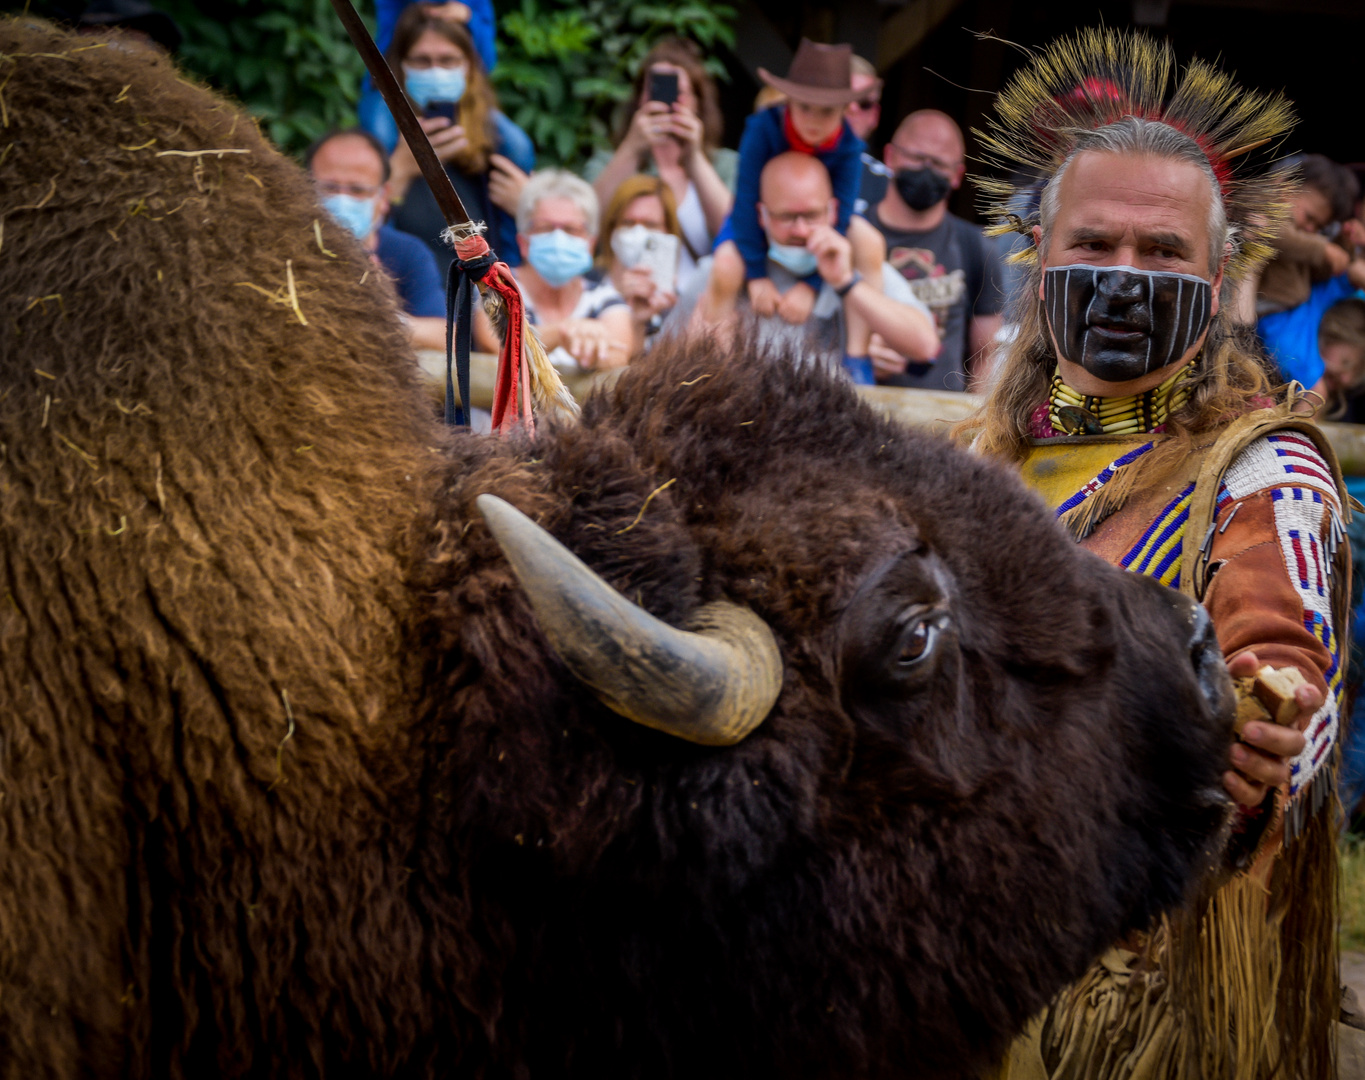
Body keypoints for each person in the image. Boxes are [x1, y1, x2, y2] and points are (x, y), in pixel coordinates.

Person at [962, 30, 1347, 1080]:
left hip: (1132, 988)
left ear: (1218, 274)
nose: (1125, 276)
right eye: (1094, 245)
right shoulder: (978, 458)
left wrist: (1256, 737)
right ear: (1041, 257)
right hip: (961, 943)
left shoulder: (1263, 474)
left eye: (1163, 252)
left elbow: (1285, 683)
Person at [694, 40, 886, 368]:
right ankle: (715, 364)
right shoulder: (762, 128)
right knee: (726, 264)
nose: (813, 119)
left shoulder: (850, 147)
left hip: (821, 221)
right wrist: (756, 276)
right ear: (788, 102)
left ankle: (859, 357)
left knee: (870, 243)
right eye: (804, 107)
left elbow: (840, 217)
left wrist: (810, 286)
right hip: (759, 219)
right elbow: (744, 203)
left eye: (826, 110)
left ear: (844, 110)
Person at [668, 153, 937, 378]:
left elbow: (925, 346)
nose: (800, 230)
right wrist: (692, 350)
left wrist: (847, 284)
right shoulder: (723, 270)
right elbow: (651, 356)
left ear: (833, 211)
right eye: (786, 217)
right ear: (762, 215)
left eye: (811, 215)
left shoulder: (854, 266)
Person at [382, 7, 534, 275]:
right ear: (400, 67)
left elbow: (524, 265)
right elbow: (361, 242)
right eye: (421, 61)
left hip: (482, 305)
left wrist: (530, 210)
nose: (436, 73)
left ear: (470, 68)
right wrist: (400, 171)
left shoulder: (501, 147)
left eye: (448, 60)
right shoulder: (381, 142)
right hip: (411, 301)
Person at [868, 109, 1006, 391]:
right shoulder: (853, 237)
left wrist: (973, 428)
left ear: (957, 174)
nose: (926, 169)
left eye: (939, 163)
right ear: (890, 156)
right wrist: (855, 355)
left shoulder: (976, 247)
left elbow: (984, 356)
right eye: (917, 158)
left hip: (938, 422)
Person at [306, 127, 471, 353]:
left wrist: (385, 317)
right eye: (330, 188)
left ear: (383, 197)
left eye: (357, 190)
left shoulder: (408, 252)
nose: (342, 199)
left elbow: (447, 336)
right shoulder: (284, 247)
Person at [585, 37, 737, 281]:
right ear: (639, 99)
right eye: (656, 90)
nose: (668, 102)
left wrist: (695, 158)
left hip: (702, 302)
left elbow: (737, 232)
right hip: (628, 295)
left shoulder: (725, 164)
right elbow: (585, 223)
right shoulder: (610, 160)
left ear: (697, 103)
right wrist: (632, 149)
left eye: (679, 93)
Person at [1255, 155, 1365, 390]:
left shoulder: (1304, 237)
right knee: (1313, 388)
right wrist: (1323, 248)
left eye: (1317, 227)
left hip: (1290, 312)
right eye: (1310, 218)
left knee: (1313, 387)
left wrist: (1344, 243)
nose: (1310, 229)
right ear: (1285, 185)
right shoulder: (1263, 207)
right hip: (1271, 315)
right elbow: (1277, 233)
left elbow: (1321, 272)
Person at [515, 170, 633, 372]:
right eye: (545, 227)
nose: (559, 238)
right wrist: (565, 332)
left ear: (590, 244)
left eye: (571, 229)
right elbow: (498, 343)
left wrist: (596, 352)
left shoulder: (605, 298)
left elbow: (619, 355)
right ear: (523, 242)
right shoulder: (498, 286)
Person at [596, 175, 687, 358]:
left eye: (650, 224)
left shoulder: (676, 302)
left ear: (668, 231)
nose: (638, 232)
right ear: (612, 228)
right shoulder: (585, 285)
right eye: (628, 223)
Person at [846, 54, 893, 216]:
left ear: (874, 115)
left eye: (864, 103)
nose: (852, 108)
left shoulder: (889, 186)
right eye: (843, 99)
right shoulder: (777, 165)